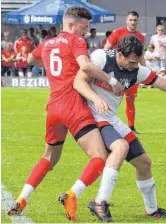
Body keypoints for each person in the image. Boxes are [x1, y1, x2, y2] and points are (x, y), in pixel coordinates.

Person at [73, 36, 166, 222]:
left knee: (144, 163)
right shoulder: (102, 57)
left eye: (137, 62)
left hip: (111, 118)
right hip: (93, 117)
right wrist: (96, 98)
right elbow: (78, 82)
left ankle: (151, 210)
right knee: (120, 147)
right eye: (132, 61)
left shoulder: (136, 70)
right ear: (120, 54)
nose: (135, 66)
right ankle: (100, 202)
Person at [8, 6, 123, 222]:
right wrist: (113, 81)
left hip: (53, 108)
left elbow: (31, 61)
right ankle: (72, 195)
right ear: (71, 25)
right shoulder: (75, 41)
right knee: (100, 157)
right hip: (73, 106)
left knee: (49, 158)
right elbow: (86, 67)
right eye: (84, 26)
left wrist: (53, 68)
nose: (86, 31)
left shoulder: (47, 43)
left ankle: (21, 200)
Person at [104, 11, 144, 134]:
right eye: (131, 20)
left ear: (138, 21)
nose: (133, 22)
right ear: (126, 21)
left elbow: (141, 56)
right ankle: (105, 123)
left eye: (135, 20)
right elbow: (106, 49)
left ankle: (131, 127)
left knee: (130, 99)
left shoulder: (140, 36)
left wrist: (144, 72)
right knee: (109, 97)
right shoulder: (118, 32)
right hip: (116, 72)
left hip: (132, 72)